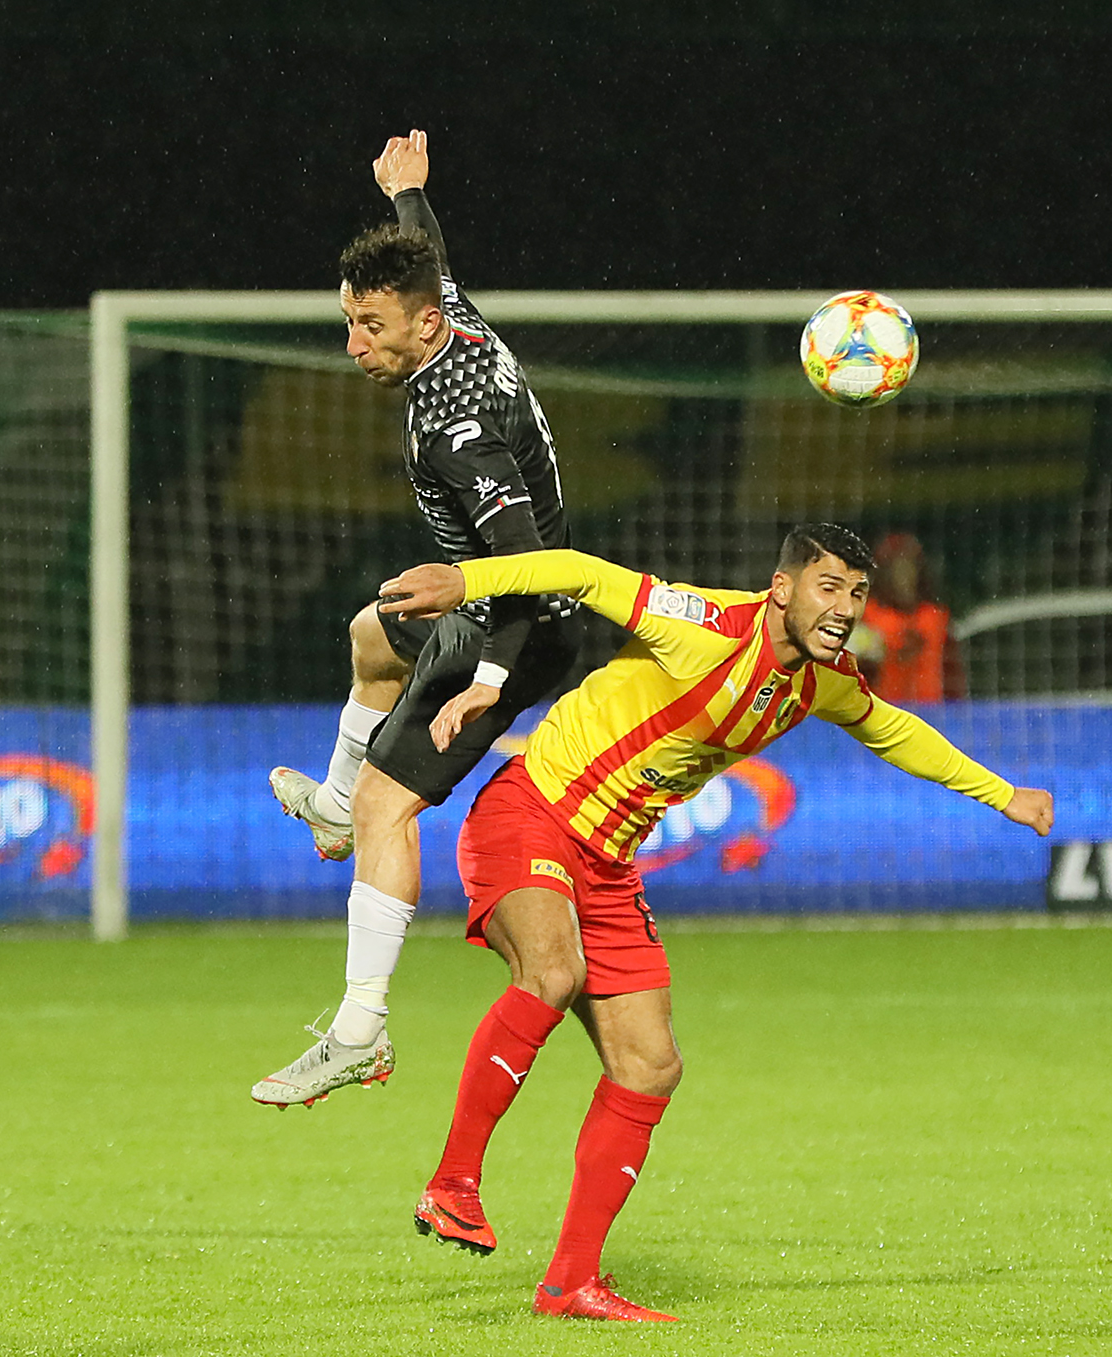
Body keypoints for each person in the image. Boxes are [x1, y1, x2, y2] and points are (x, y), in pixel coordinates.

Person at [376, 525, 1054, 1322]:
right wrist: (466, 582)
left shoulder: (820, 682)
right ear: (782, 588)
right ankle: (453, 1183)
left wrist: (1001, 792)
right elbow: (578, 570)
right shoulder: (703, 625)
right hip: (534, 810)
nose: (845, 608)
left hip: (609, 861)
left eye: (857, 592)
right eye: (828, 587)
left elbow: (891, 727)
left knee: (649, 1065)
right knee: (552, 972)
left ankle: (570, 1284)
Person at [256, 131, 584, 1107]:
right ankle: (332, 803)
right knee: (371, 632)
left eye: (368, 325)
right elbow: (429, 258)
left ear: (422, 325)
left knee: (387, 809)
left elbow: (528, 568)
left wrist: (488, 681)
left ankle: (359, 1030)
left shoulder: (457, 428)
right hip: (475, 600)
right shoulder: (452, 315)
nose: (353, 343)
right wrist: (407, 197)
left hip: (515, 625)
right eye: (348, 320)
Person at [849, 531, 960, 701]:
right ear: (883, 573)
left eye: (909, 567)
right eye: (895, 569)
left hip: (931, 711)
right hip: (882, 711)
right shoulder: (866, 615)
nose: (903, 577)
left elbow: (953, 677)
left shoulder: (936, 617)